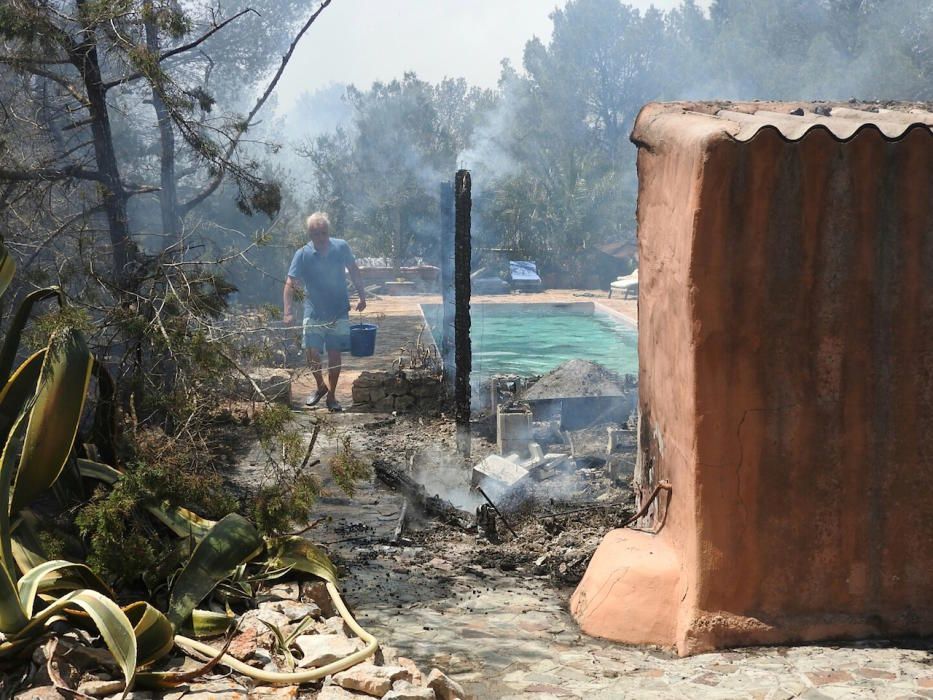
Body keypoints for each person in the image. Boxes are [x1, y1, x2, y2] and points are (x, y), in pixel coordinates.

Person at [284, 212, 366, 411]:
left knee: (334, 355)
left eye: (323, 233)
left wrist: (362, 295)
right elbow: (290, 283)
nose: (320, 237)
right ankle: (320, 386)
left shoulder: (341, 247)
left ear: (328, 232)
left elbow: (354, 269)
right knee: (311, 351)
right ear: (309, 234)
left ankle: (332, 396)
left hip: (338, 309)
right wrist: (287, 310)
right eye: (315, 233)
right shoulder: (303, 253)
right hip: (313, 311)